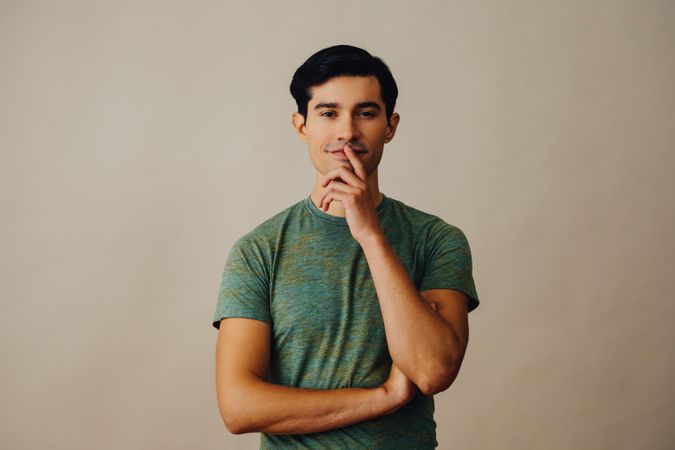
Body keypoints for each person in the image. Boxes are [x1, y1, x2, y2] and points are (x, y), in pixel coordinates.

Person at [212, 44, 480, 449]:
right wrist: (383, 397)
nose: (347, 132)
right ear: (301, 126)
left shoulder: (436, 239)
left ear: (390, 126)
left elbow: (431, 371)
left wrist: (371, 235)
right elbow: (238, 407)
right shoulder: (258, 250)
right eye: (328, 113)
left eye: (366, 113)